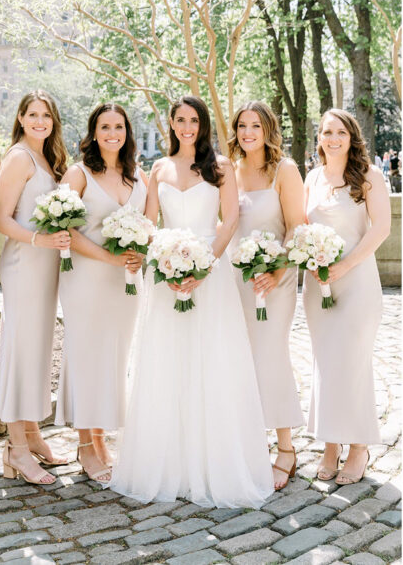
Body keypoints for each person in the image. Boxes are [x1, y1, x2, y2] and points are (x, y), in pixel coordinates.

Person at [110, 96, 272, 508]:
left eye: (194, 120)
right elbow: (150, 223)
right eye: (180, 120)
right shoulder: (159, 169)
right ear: (171, 123)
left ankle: (212, 464)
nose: (187, 127)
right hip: (166, 275)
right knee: (168, 362)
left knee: (211, 362)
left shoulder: (220, 167)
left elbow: (230, 218)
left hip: (209, 275)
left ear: (202, 125)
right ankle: (169, 465)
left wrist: (203, 266)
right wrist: (152, 256)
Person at [56, 104, 148, 484]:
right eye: (105, 127)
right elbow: (62, 227)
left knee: (113, 357)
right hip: (87, 278)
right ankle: (84, 444)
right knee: (86, 356)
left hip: (126, 282)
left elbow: (150, 224)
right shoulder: (79, 175)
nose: (113, 133)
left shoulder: (138, 176)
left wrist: (138, 252)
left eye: (119, 126)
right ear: (94, 132)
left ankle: (100, 438)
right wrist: (108, 257)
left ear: (128, 131)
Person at [304, 109, 390, 485]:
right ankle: (330, 445)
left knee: (352, 362)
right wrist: (309, 259)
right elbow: (302, 228)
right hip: (318, 284)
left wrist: (346, 265)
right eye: (326, 132)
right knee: (325, 363)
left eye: (340, 132)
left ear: (352, 137)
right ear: (319, 138)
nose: (333, 138)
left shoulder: (369, 176)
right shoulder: (311, 178)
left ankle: (358, 448)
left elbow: (382, 228)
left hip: (356, 282)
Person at [228, 101, 306, 490]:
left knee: (272, 354)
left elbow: (297, 227)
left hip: (276, 279)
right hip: (237, 279)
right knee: (242, 358)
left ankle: (287, 447)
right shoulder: (228, 170)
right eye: (242, 126)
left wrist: (275, 272)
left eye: (255, 125)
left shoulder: (284, 170)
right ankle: (251, 443)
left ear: (268, 128)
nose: (247, 133)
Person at [0, 90, 71, 485]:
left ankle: (32, 434)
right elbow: (2, 219)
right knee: (20, 350)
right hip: (25, 263)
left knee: (38, 350)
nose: (40, 121)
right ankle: (15, 449)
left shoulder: (49, 159)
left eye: (46, 115)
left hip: (47, 267)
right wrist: (40, 241)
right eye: (33, 114)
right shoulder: (18, 157)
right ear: (21, 119)